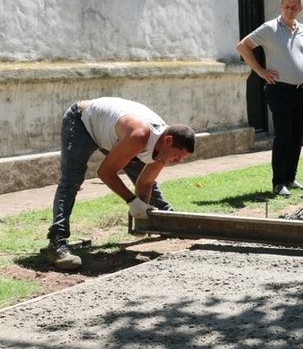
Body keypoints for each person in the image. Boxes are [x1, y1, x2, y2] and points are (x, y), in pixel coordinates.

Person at [47, 97, 196, 271]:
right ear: (168, 140)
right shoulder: (139, 136)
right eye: (177, 156)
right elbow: (105, 173)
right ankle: (57, 243)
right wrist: (133, 202)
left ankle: (167, 221)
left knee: (146, 179)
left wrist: (142, 213)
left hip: (112, 132)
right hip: (81, 122)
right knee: (71, 180)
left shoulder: (163, 148)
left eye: (181, 159)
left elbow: (145, 182)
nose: (177, 162)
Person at [236, 0, 303, 196]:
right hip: (278, 90)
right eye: (286, 6)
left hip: (302, 91)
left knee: (298, 135)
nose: (290, 10)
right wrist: (260, 71)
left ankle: (290, 177)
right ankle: (278, 182)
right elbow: (243, 46)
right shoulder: (270, 28)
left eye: (294, 7)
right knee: (284, 135)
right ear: (281, 6)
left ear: (300, 8)